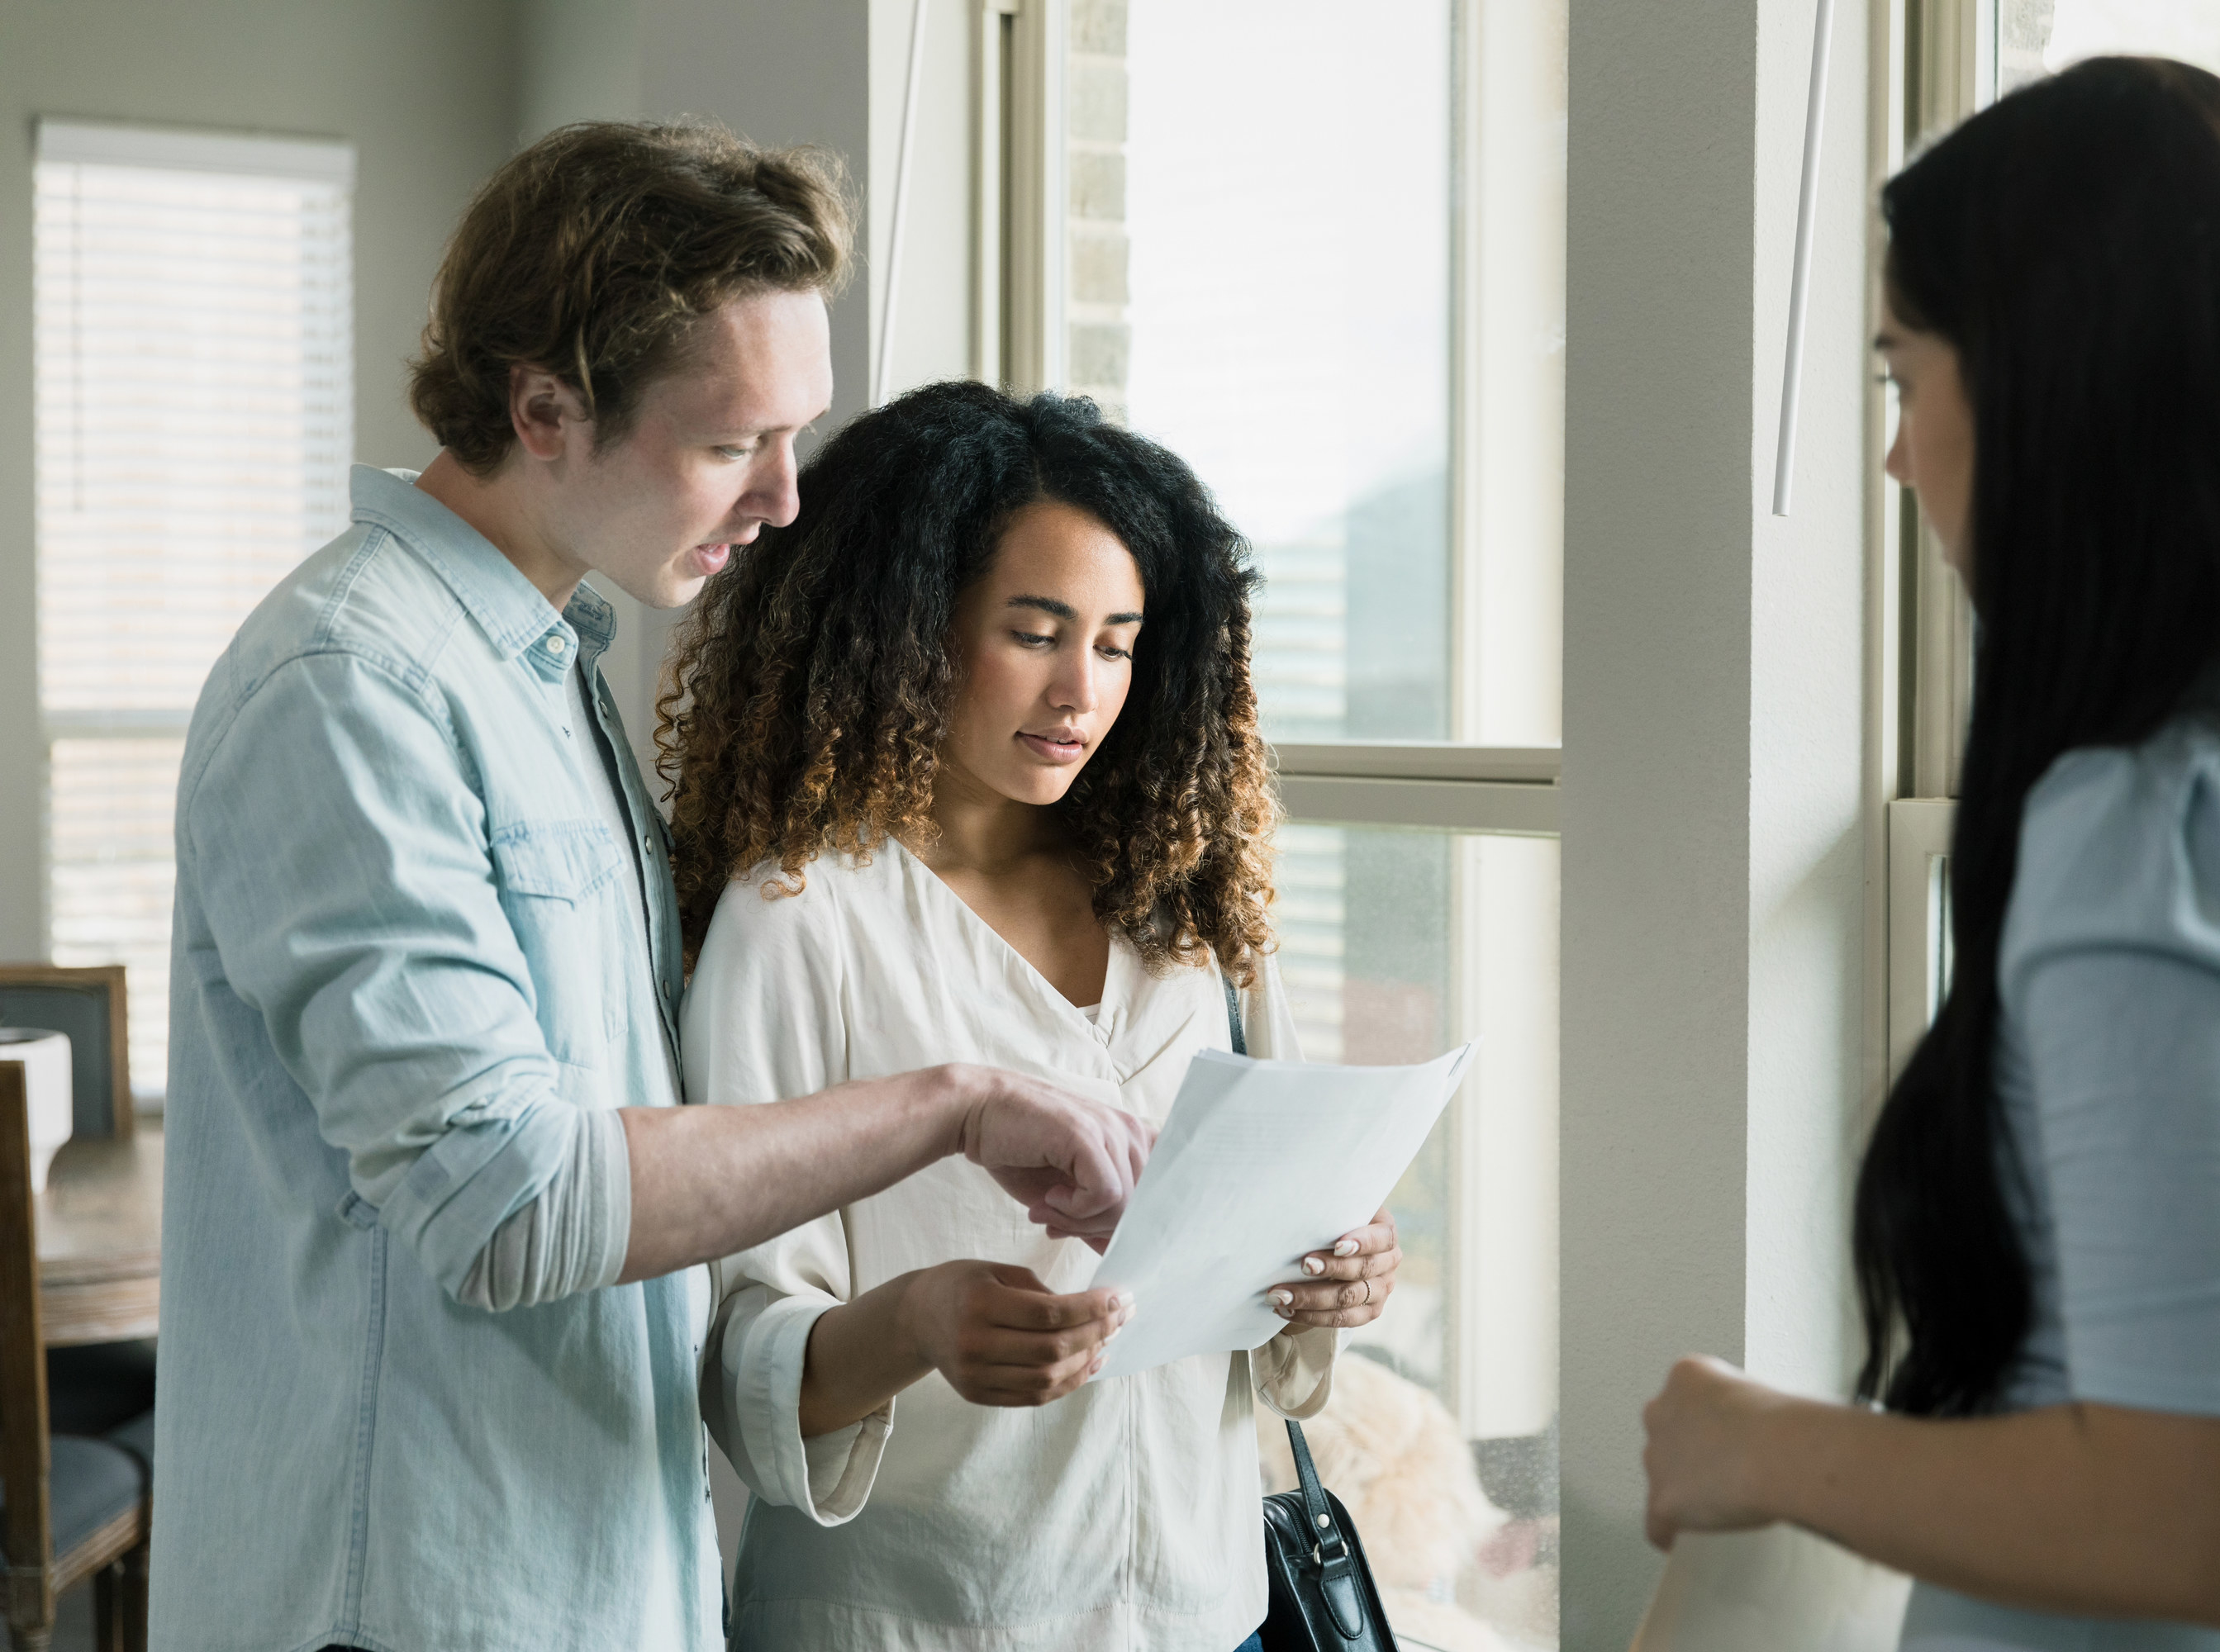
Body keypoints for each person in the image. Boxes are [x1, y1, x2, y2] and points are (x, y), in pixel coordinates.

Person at [152, 123, 1148, 1652]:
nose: (784, 499)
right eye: (731, 441)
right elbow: (512, 1204)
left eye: (794, 437)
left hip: (594, 1574)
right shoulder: (349, 688)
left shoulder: (550, 679)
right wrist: (952, 1101)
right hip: (408, 1604)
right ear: (543, 406)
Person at [1637, 57, 2220, 1650]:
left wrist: (1764, 1447)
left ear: (2045, 384)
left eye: (1903, 379)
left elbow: (2198, 1519)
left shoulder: (2163, 829)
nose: (1896, 460)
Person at [664, 382, 1402, 1652]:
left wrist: (1331, 1271)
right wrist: (918, 1321)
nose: (1081, 691)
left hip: (1201, 1605)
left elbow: (1259, 1244)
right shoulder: (802, 918)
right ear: (908, 630)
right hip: (921, 1620)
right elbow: (732, 1362)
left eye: (1117, 642)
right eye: (1036, 630)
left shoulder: (1188, 913)